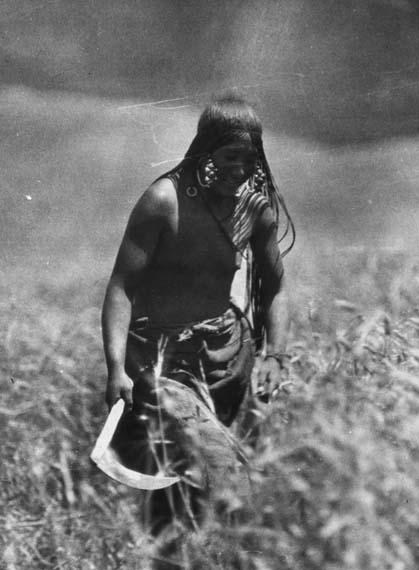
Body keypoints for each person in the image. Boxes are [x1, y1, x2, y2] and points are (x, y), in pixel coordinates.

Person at [101, 95, 295, 535]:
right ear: (206, 149)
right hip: (162, 363)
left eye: (250, 160)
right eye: (230, 157)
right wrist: (116, 367)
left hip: (228, 360)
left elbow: (276, 288)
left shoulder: (253, 209)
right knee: (224, 473)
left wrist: (274, 355)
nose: (240, 170)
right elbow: (122, 287)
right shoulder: (163, 201)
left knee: (188, 485)